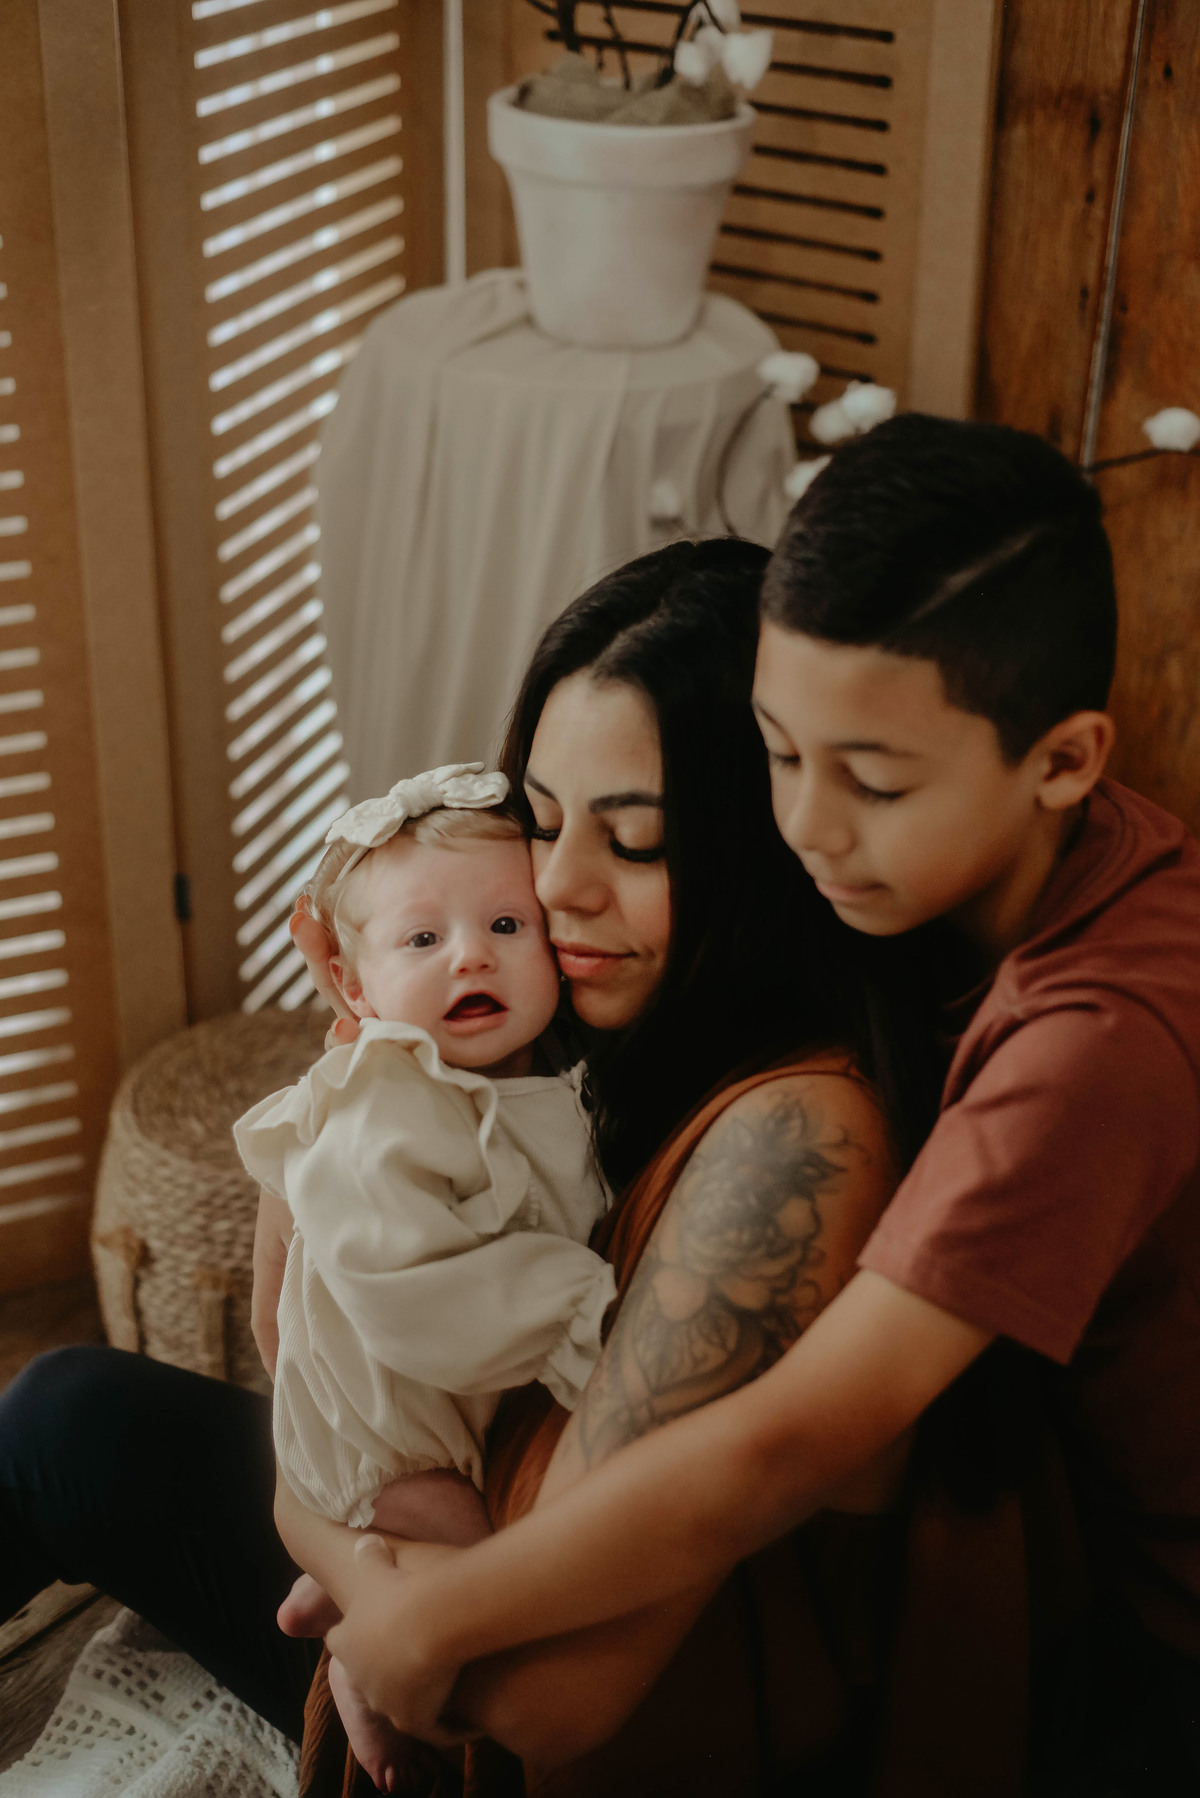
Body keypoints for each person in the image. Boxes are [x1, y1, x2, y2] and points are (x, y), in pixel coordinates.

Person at [303, 418, 1200, 1794]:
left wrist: (416, 1615)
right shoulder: (938, 862)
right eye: (779, 754)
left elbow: (786, 1442)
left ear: (1066, 760)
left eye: (872, 782)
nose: (809, 827)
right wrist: (349, 1545)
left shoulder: (1084, 1040)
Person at [0, 539, 940, 1784]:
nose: (561, 888)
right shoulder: (590, 1029)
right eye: (540, 824)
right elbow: (293, 1327)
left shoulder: (791, 1144)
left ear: (762, 846)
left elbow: (534, 1694)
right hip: (422, 1530)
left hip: (490, 1716)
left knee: (62, 1425)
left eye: (638, 841)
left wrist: (363, 1593)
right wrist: (358, 1037)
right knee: (64, 1406)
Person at [235, 764, 615, 1783]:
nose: (470, 956)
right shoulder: (387, 1102)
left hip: (439, 1423)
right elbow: (407, 1289)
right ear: (356, 988)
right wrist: (582, 1309)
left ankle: (337, 1598)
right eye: (421, 940)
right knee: (472, 1585)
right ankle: (359, 1667)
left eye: (507, 925)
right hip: (390, 1446)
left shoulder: (530, 1081)